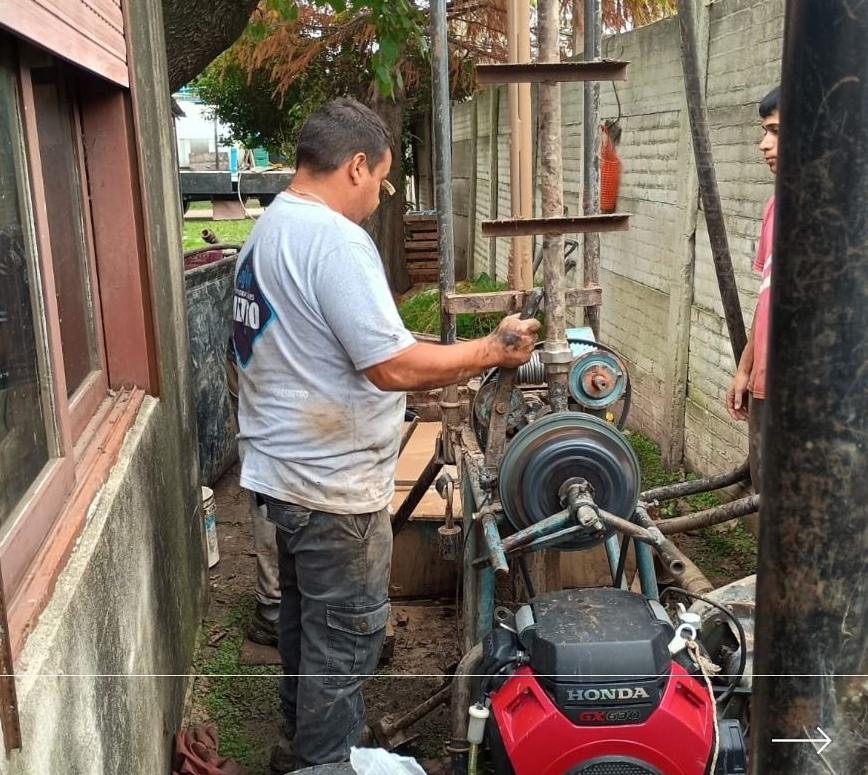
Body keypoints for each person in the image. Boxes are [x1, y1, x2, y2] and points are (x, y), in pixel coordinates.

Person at [232, 97, 539, 773]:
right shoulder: (335, 241)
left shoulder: (268, 230)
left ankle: (298, 748)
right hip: (330, 489)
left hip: (282, 476)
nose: (378, 195)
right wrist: (491, 348)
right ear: (357, 165)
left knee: (306, 628)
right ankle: (325, 760)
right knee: (344, 640)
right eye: (382, 180)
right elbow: (390, 364)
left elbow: (344, 347)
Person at [725, 85, 779, 493]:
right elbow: (767, 296)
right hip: (765, 384)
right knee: (766, 496)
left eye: (777, 131)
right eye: (764, 131)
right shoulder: (774, 207)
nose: (764, 145)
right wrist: (745, 369)